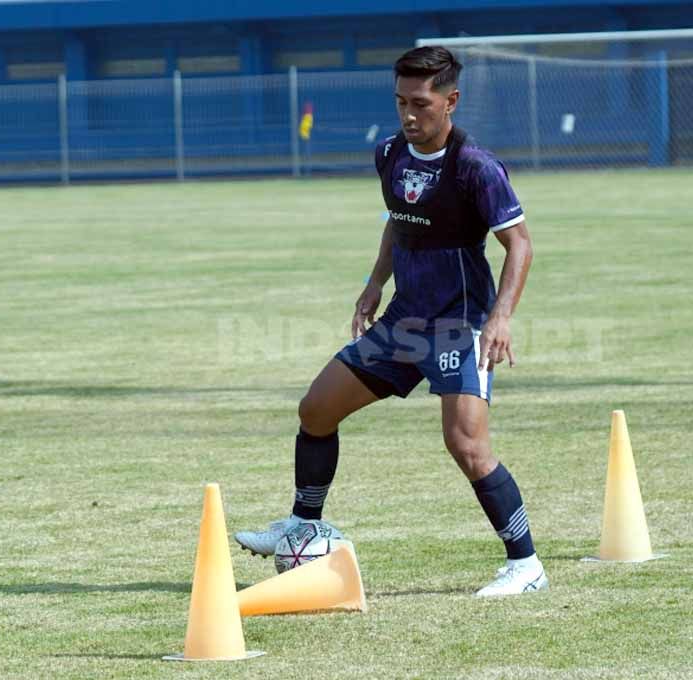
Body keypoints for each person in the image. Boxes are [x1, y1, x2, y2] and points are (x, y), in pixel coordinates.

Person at [234, 46, 545, 597]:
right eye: (400, 101)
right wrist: (376, 282)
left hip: (460, 322)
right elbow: (399, 222)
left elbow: (519, 244)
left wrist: (500, 318)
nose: (408, 114)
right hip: (405, 320)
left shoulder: (476, 167)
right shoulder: (389, 153)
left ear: (450, 101)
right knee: (316, 408)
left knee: (467, 445)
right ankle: (304, 525)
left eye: (420, 103)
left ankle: (526, 564)